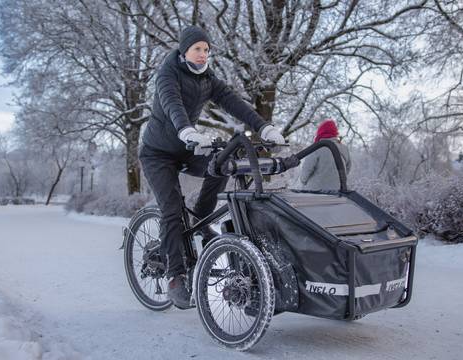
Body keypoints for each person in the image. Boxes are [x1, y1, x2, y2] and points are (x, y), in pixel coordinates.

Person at [139, 25, 285, 309]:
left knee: (224, 164)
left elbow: (233, 102)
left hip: (187, 146)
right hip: (158, 153)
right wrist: (186, 129)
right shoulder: (168, 73)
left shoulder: (207, 78)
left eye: (207, 50)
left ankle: (201, 220)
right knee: (171, 210)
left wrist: (263, 127)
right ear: (184, 51)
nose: (203, 54)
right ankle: (175, 275)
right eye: (198, 49)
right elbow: (171, 103)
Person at [297, 119, 351, 191]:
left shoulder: (317, 147)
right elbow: (347, 169)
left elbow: (306, 169)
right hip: (337, 192)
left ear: (320, 132)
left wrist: (303, 180)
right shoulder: (344, 148)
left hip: (315, 192)